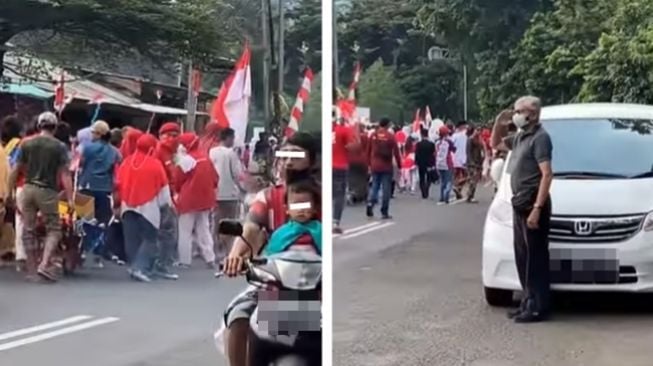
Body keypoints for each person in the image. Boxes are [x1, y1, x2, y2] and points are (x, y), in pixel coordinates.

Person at [221, 132, 318, 366]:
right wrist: (235, 255)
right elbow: (251, 228)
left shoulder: (321, 196)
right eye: (284, 156)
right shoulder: (268, 196)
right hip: (276, 280)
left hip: (315, 284)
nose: (288, 162)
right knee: (238, 316)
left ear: (312, 161)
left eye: (295, 156)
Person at [491, 96, 553, 323]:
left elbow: (547, 174)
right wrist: (499, 122)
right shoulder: (520, 137)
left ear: (532, 114)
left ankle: (537, 306)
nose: (515, 114)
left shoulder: (540, 138)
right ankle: (527, 301)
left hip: (532, 203)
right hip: (520, 202)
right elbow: (495, 144)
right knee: (523, 256)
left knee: (535, 258)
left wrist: (537, 208)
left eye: (519, 111)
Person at [9, 112, 73, 282]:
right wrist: (71, 198)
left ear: (39, 125)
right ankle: (44, 264)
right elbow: (65, 174)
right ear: (55, 127)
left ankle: (31, 269)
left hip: (28, 188)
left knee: (28, 229)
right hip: (48, 191)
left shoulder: (26, 144)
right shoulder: (59, 147)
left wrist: (10, 192)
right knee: (54, 229)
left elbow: (15, 170)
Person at [115, 133, 172, 282]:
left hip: (127, 205)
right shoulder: (155, 164)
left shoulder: (127, 161)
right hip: (149, 207)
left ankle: (134, 266)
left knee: (132, 239)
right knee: (150, 238)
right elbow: (163, 189)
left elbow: (118, 184)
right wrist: (166, 205)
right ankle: (140, 268)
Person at [78, 120, 122, 267]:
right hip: (104, 189)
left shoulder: (86, 148)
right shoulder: (115, 151)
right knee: (102, 222)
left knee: (83, 220)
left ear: (99, 134)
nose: (91, 135)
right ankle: (97, 253)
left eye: (93, 132)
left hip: (85, 186)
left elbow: (80, 164)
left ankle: (82, 251)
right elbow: (118, 163)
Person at [174, 132, 218, 268]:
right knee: (204, 229)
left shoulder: (186, 160)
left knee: (185, 231)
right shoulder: (205, 158)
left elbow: (177, 180)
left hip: (188, 200)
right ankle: (210, 258)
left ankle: (184, 260)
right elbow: (215, 178)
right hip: (205, 200)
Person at [209, 127, 244, 262]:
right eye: (233, 138)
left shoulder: (212, 152)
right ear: (228, 138)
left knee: (215, 223)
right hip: (230, 194)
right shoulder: (231, 154)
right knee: (229, 223)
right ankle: (228, 251)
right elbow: (236, 174)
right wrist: (242, 188)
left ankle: (214, 250)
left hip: (215, 193)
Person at [153, 122, 181, 280]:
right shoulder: (164, 151)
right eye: (170, 135)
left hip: (159, 194)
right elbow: (171, 175)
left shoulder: (163, 149)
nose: (173, 139)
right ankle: (161, 264)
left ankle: (159, 262)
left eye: (175, 135)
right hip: (164, 195)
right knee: (167, 230)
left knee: (162, 230)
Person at [264, 179, 321, 256]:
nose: (300, 209)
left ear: (314, 208)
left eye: (305, 204)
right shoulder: (280, 233)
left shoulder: (321, 230)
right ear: (287, 209)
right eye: (296, 205)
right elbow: (270, 256)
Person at [366, 117, 401, 219]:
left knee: (375, 186)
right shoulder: (390, 136)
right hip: (386, 166)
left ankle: (370, 204)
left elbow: (368, 150)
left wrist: (368, 164)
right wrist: (399, 165)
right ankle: (384, 211)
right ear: (387, 125)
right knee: (386, 189)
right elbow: (396, 152)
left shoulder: (373, 135)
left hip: (374, 165)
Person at [332, 117, 357, 233]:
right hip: (340, 166)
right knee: (339, 196)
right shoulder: (343, 130)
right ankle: (335, 222)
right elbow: (352, 147)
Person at [435, 125, 456, 205]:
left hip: (439, 163)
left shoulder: (437, 142)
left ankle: (441, 197)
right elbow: (454, 149)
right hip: (447, 163)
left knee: (442, 181)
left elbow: (435, 153)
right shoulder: (448, 142)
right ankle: (446, 194)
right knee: (449, 180)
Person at [415, 128, 436, 199]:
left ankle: (423, 192)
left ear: (421, 135)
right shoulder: (432, 144)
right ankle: (427, 188)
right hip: (429, 163)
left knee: (422, 178)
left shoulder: (418, 144)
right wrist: (434, 163)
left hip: (421, 163)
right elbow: (434, 154)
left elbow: (417, 154)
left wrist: (416, 162)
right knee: (429, 177)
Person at [465, 126, 484, 203]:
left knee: (474, 180)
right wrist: (471, 162)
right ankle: (470, 195)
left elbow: (481, 150)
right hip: (472, 163)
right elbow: (468, 152)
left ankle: (470, 195)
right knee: (472, 180)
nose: (478, 132)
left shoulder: (478, 140)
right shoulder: (470, 139)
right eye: (477, 130)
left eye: (480, 130)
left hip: (478, 162)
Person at [451, 121, 468, 200]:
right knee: (467, 176)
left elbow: (451, 146)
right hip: (464, 158)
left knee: (456, 175)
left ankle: (458, 189)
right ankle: (457, 187)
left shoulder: (454, 136)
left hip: (455, 158)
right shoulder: (466, 135)